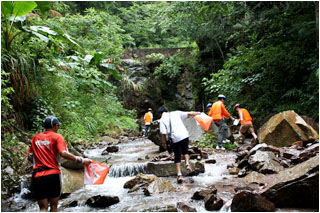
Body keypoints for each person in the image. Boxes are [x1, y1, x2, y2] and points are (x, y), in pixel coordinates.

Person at [28, 116, 92, 212]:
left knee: (42, 208)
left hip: (37, 176)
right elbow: (63, 153)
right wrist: (81, 160)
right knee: (54, 206)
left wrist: (40, 162)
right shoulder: (57, 137)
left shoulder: (36, 138)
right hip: (52, 175)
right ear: (55, 126)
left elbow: (30, 156)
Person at [158, 106, 200, 183]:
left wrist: (163, 143)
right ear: (167, 110)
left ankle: (179, 175)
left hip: (175, 138)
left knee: (177, 156)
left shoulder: (162, 120)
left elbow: (163, 133)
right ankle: (187, 163)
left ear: (160, 114)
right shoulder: (176, 113)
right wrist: (198, 113)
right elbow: (189, 113)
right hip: (184, 135)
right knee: (186, 151)